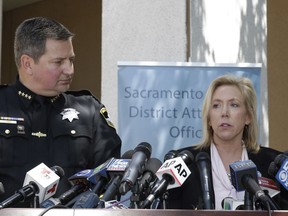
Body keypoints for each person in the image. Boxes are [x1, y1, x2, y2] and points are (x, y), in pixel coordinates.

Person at [0, 17, 121, 206]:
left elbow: (110, 181)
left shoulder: (89, 111)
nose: (69, 70)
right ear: (28, 64)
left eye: (71, 60)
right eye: (58, 62)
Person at [166, 74, 288, 210]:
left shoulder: (273, 164)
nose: (224, 112)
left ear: (248, 116)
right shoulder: (183, 162)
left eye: (234, 105)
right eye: (216, 105)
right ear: (209, 118)